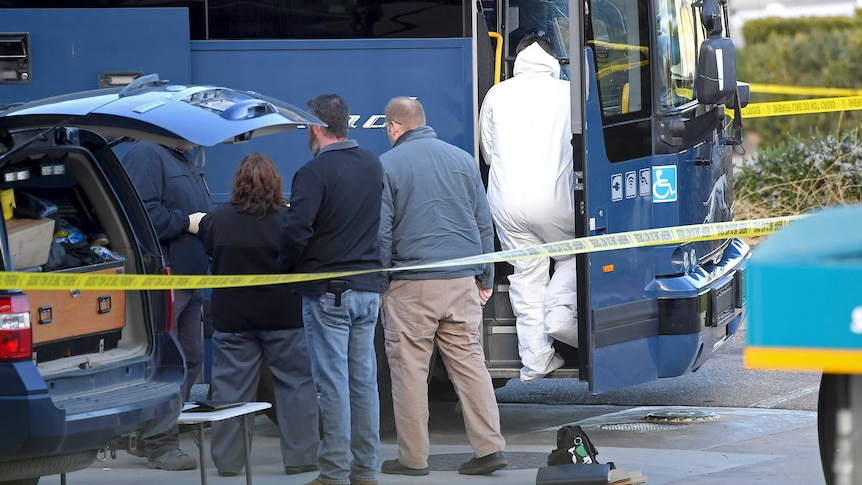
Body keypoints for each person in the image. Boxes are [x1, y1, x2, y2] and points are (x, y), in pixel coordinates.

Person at [377, 97, 508, 477]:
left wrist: (383, 282)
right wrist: (485, 276)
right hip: (462, 281)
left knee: (410, 371)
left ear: (394, 127)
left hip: (412, 285)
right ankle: (489, 448)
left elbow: (382, 232)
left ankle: (413, 459)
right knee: (471, 367)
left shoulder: (386, 166)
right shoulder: (462, 160)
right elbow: (484, 222)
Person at [278, 94, 386, 485]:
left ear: (315, 127)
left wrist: (287, 268)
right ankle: (365, 469)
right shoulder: (373, 164)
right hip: (368, 288)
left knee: (333, 384)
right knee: (364, 383)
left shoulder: (313, 172)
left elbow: (296, 231)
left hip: (328, 291)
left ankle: (335, 471)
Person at [198, 152, 319, 477]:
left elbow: (209, 249)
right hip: (284, 317)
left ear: (237, 183)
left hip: (233, 320)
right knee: (295, 385)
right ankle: (301, 458)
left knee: (230, 389)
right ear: (275, 183)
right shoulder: (287, 220)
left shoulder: (216, 220)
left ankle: (228, 462)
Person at [479, 34, 579, 383]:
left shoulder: (496, 94)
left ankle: (536, 359)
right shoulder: (568, 94)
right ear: (554, 59)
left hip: (505, 202)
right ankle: (561, 321)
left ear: (517, 59)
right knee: (571, 256)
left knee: (526, 275)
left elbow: (488, 153)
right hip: (556, 202)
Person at [122, 140, 210, 470]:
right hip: (166, 278)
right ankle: (158, 442)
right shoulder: (146, 153)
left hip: (189, 279)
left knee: (190, 357)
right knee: (170, 360)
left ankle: (155, 432)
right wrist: (186, 222)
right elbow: (140, 214)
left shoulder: (182, 159)